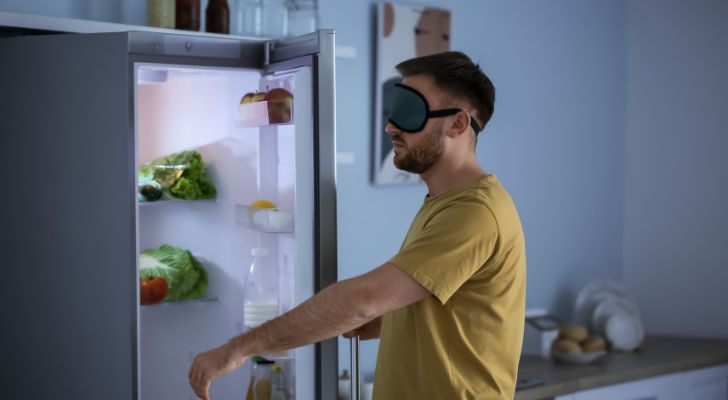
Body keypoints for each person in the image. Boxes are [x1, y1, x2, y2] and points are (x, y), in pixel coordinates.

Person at [189, 51, 526, 400]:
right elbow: (441, 303)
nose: (391, 127)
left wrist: (238, 349)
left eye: (410, 113)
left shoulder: (474, 212)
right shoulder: (445, 203)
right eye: (394, 111)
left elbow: (362, 300)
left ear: (458, 124)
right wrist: (388, 323)